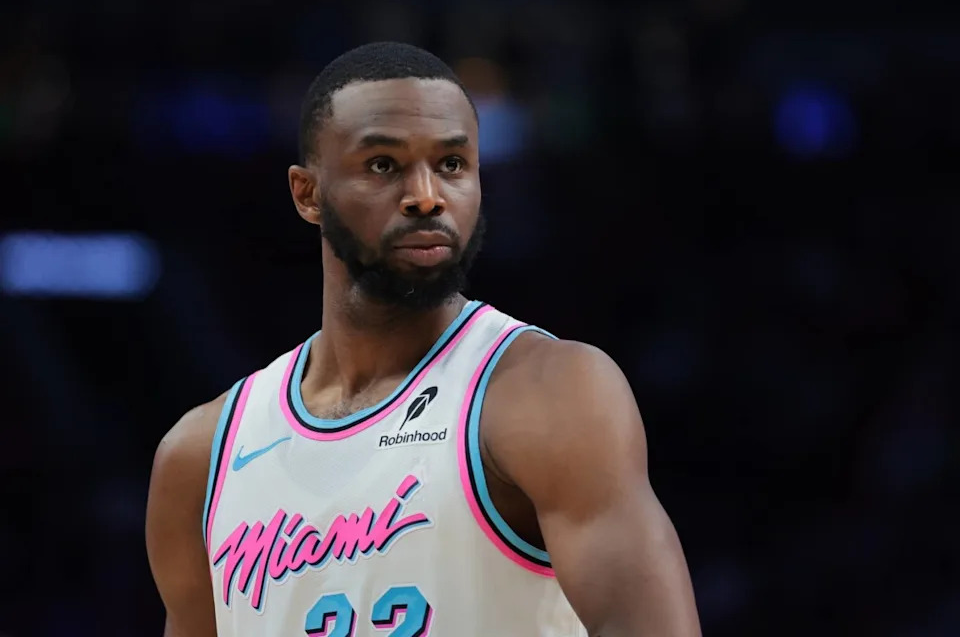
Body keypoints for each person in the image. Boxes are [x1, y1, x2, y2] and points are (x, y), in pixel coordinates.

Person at [145, 41, 702, 637]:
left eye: (452, 165)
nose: (427, 195)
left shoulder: (547, 394)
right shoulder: (201, 458)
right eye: (383, 165)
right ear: (307, 194)